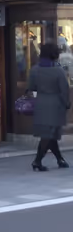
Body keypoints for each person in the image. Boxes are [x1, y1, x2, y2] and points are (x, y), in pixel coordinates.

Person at [28, 42, 70, 171]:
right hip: (55, 105)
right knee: (49, 135)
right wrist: (67, 104)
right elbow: (64, 89)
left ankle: (60, 159)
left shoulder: (35, 69)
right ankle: (37, 160)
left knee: (49, 135)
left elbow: (31, 87)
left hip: (41, 104)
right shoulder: (58, 70)